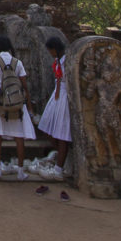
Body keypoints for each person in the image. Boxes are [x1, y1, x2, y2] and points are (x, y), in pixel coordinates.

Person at [0, 35, 35, 180]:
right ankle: (20, 171)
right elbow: (24, 85)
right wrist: (29, 105)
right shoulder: (17, 62)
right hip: (16, 99)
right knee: (19, 136)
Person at [38, 37, 71, 180]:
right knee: (47, 126)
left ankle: (58, 169)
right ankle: (59, 156)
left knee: (62, 133)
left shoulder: (67, 62)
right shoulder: (58, 61)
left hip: (64, 97)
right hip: (56, 96)